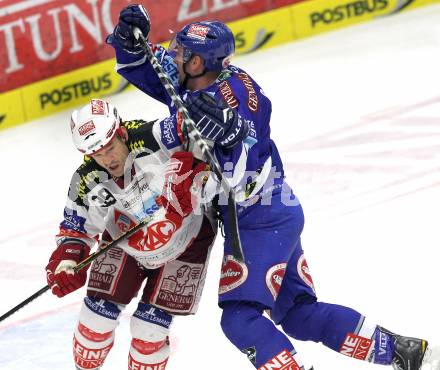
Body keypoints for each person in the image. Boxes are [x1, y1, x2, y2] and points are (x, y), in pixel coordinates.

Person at [106, 4, 431, 370]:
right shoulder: (195, 78)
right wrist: (129, 40)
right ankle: (402, 350)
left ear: (197, 63)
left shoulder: (236, 99)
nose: (173, 55)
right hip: (274, 211)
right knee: (297, 315)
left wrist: (231, 135)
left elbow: (242, 162)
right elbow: (148, 65)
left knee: (240, 319)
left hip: (260, 219)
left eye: (180, 52)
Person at [45, 98, 217, 370]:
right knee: (94, 324)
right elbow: (74, 231)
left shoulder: (156, 136)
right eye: (97, 155)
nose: (107, 160)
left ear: (122, 132)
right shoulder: (85, 179)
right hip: (125, 240)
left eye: (111, 148)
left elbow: (203, 126)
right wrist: (67, 261)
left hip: (188, 239)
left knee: (149, 333)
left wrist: (196, 172)